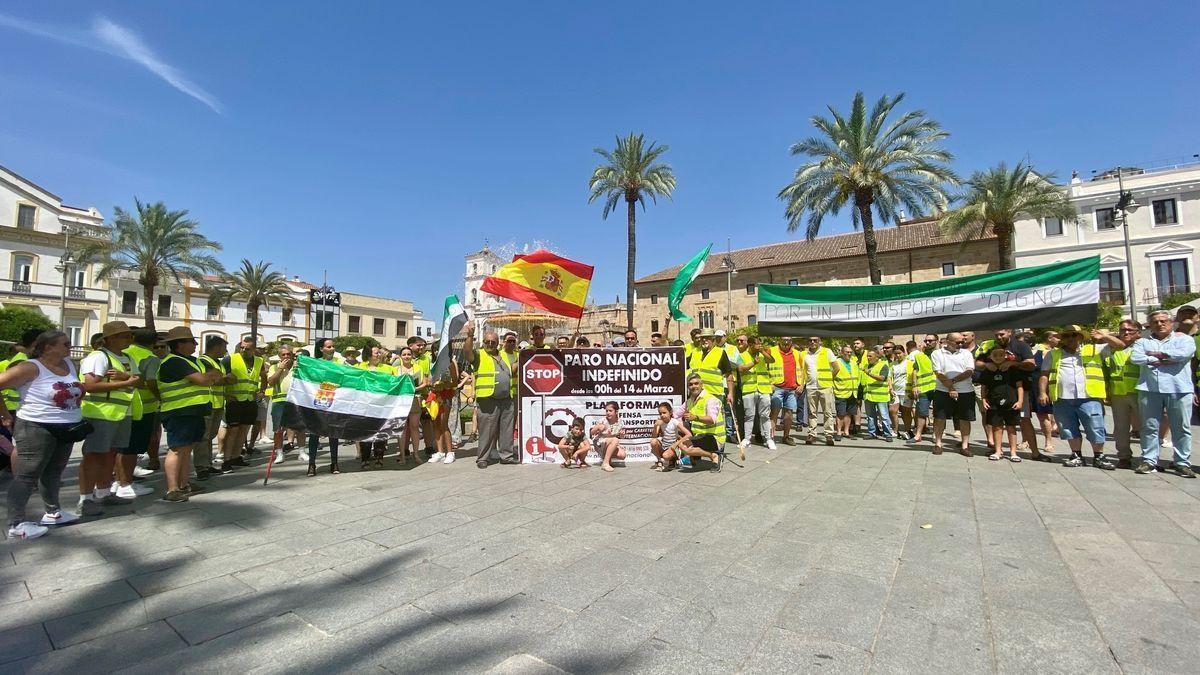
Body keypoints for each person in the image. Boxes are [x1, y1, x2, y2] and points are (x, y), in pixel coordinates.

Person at [1, 331, 85, 540]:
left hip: (65, 428)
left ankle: (53, 512)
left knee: (54, 471)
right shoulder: (30, 367)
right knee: (27, 475)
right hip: (36, 427)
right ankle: (16, 523)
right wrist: (4, 415)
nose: (70, 347)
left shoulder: (68, 364)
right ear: (48, 348)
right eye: (65, 344)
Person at [78, 321, 141, 514]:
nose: (130, 339)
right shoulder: (98, 356)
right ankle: (86, 499)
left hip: (121, 413)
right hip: (101, 413)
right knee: (94, 455)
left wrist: (126, 379)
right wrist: (125, 382)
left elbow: (138, 380)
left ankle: (104, 493)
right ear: (111, 338)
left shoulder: (128, 357)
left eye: (130, 335)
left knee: (110, 454)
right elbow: (89, 385)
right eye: (125, 336)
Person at [1038, 325, 1122, 470]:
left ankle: (1099, 456)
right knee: (1068, 428)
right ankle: (1076, 455)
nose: (1070, 338)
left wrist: (1104, 336)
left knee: (1095, 427)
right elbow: (1044, 374)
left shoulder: (1095, 349)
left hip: (1089, 397)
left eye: (1074, 335)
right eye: (1067, 336)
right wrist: (1042, 392)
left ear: (1080, 337)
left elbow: (1120, 346)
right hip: (1063, 398)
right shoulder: (1053, 354)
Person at [157, 327, 224, 502]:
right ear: (179, 344)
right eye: (191, 341)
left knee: (187, 450)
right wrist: (208, 376)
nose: (195, 344)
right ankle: (172, 489)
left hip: (194, 411)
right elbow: (204, 379)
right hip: (179, 412)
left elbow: (217, 375)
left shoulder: (193, 361)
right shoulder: (173, 361)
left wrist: (209, 376)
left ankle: (184, 483)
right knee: (177, 450)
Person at [1132, 311, 1197, 477]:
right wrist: (1159, 359)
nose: (1159, 324)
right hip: (1150, 389)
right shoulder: (1142, 342)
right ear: (1150, 325)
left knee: (1181, 427)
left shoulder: (1185, 339)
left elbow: (1183, 354)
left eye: (1163, 321)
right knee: (1149, 427)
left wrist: (1154, 355)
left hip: (1178, 389)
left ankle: (1182, 462)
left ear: (1172, 322)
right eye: (1155, 322)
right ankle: (1149, 460)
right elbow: (1135, 358)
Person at [462, 325, 518, 468]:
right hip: (488, 398)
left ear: (498, 343)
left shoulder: (504, 354)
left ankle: (506, 456)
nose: (490, 344)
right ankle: (482, 458)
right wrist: (469, 336)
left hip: (506, 398)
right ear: (483, 342)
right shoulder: (479, 354)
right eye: (487, 342)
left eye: (493, 342)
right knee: (486, 430)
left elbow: (512, 369)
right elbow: (467, 352)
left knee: (507, 429)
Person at [116, 328, 160, 498]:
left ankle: (118, 481)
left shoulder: (124, 352)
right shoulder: (150, 358)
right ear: (154, 342)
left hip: (122, 404)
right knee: (132, 448)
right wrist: (160, 397)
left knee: (121, 447)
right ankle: (126, 484)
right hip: (143, 408)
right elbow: (151, 381)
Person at [221, 337, 266, 471]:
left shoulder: (259, 361)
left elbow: (264, 377)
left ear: (253, 349)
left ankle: (236, 457)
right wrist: (226, 395)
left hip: (250, 400)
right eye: (242, 347)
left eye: (247, 348)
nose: (243, 350)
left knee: (243, 430)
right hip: (234, 400)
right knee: (233, 430)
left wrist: (262, 391)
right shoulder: (230, 359)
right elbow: (219, 377)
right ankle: (227, 460)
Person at [1106, 320, 1143, 469]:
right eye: (1122, 330)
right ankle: (1123, 456)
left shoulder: (1142, 347)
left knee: (1146, 427)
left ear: (1138, 333)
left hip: (1139, 391)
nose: (1125, 333)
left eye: (1130, 330)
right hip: (1118, 393)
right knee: (1120, 428)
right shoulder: (1113, 348)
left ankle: (1149, 457)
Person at [931, 332, 976, 456]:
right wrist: (950, 387)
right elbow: (938, 373)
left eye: (962, 341)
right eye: (957, 342)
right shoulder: (937, 353)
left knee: (965, 418)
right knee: (940, 418)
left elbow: (969, 371)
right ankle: (938, 444)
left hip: (965, 390)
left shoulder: (966, 353)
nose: (961, 344)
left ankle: (965, 445)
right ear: (948, 341)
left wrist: (954, 381)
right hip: (942, 390)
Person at [687, 330, 736, 441]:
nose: (704, 340)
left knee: (715, 423)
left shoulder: (720, 353)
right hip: (697, 395)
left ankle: (718, 448)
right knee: (698, 422)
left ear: (713, 340)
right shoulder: (695, 352)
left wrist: (731, 394)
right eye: (702, 338)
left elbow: (729, 375)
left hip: (714, 394)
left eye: (708, 338)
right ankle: (699, 449)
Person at [195, 337, 234, 479]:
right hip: (207, 403)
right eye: (224, 347)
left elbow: (227, 379)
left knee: (209, 437)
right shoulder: (203, 361)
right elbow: (215, 380)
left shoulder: (218, 363)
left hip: (218, 403)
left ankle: (207, 464)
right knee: (203, 437)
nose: (225, 351)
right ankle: (201, 467)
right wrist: (224, 378)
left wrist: (223, 378)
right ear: (216, 347)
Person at [355, 346, 397, 469]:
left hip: (382, 406)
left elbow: (396, 383)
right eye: (376, 353)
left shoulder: (388, 369)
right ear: (368, 355)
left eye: (379, 353)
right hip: (364, 406)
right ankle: (365, 458)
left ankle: (379, 457)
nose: (379, 355)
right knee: (365, 433)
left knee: (381, 432)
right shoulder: (359, 367)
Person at [305, 338, 343, 475]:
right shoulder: (315, 363)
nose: (331, 349)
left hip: (335, 401)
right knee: (314, 433)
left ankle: (334, 463)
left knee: (334, 434)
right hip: (318, 401)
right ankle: (312, 464)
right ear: (321, 349)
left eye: (333, 346)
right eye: (328, 347)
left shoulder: (340, 363)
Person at [981, 345, 1023, 462]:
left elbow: (1019, 386)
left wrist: (1020, 401)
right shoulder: (988, 370)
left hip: (1011, 403)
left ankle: (1013, 452)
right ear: (991, 357)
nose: (998, 357)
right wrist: (984, 399)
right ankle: (998, 451)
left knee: (1011, 428)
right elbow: (984, 386)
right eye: (995, 355)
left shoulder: (1012, 369)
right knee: (997, 427)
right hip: (994, 403)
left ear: (1005, 355)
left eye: (1001, 355)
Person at [797, 336, 838, 446]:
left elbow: (836, 367)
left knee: (827, 412)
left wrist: (830, 379)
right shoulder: (804, 354)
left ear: (820, 342)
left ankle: (829, 434)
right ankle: (812, 434)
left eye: (815, 340)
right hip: (811, 387)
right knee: (812, 412)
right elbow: (803, 371)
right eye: (810, 340)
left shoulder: (827, 351)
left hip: (825, 386)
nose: (812, 342)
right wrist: (802, 384)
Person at [736, 335, 773, 452]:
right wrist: (753, 363)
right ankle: (747, 439)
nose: (760, 346)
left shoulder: (762, 354)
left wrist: (762, 351)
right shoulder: (742, 355)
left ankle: (768, 439)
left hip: (763, 389)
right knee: (749, 416)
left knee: (765, 415)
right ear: (751, 345)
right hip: (749, 389)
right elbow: (740, 369)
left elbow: (771, 360)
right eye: (758, 344)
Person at [680, 373, 724, 471]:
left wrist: (695, 417)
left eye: (696, 383)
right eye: (690, 384)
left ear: (701, 385)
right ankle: (694, 457)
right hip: (700, 436)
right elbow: (676, 415)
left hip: (714, 437)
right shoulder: (690, 401)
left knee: (683, 445)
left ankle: (714, 456)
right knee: (677, 428)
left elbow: (711, 420)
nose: (693, 386)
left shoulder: (710, 400)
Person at [394, 347, 429, 464]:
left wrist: (415, 388)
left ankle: (416, 454)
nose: (407, 356)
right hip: (400, 401)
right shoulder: (395, 370)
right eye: (404, 354)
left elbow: (425, 382)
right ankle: (403, 455)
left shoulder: (417, 368)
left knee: (414, 428)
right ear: (400, 356)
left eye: (409, 354)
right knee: (402, 429)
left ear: (412, 356)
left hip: (415, 399)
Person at [265, 346, 295, 464]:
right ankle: (279, 453)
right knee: (278, 429)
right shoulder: (274, 367)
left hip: (294, 401)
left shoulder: (297, 367)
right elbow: (271, 382)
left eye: (288, 354)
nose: (286, 357)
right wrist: (280, 369)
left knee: (298, 427)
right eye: (284, 355)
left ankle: (302, 451)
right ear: (279, 356)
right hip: (279, 401)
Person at [905, 335, 938, 445]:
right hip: (923, 388)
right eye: (926, 341)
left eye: (930, 341)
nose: (927, 342)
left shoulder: (941, 354)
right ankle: (918, 435)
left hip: (939, 387)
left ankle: (936, 434)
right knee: (921, 412)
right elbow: (915, 371)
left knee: (938, 412)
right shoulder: (919, 356)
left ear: (936, 341)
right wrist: (914, 385)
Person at [861, 346, 894, 441]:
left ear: (876, 357)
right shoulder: (867, 366)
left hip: (880, 396)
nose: (868, 358)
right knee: (870, 416)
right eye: (867, 356)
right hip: (868, 395)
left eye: (870, 356)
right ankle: (872, 433)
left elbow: (882, 378)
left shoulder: (883, 365)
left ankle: (888, 434)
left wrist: (869, 374)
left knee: (884, 416)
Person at [650, 402, 690, 472]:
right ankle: (660, 461)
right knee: (653, 442)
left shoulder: (674, 422)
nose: (662, 415)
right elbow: (654, 437)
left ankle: (674, 458)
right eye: (660, 413)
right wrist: (655, 426)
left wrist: (676, 444)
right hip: (664, 444)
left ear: (670, 412)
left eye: (664, 413)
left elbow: (688, 434)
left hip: (672, 445)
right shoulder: (660, 422)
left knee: (666, 456)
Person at [833, 344, 860, 440]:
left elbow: (858, 376)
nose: (849, 354)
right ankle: (839, 432)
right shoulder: (836, 362)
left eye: (850, 352)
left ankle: (846, 431)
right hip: (841, 392)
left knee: (849, 413)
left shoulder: (853, 363)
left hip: (852, 392)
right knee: (840, 413)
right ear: (842, 353)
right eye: (846, 352)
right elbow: (832, 376)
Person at [591, 401, 625, 472]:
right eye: (606, 411)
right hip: (600, 443)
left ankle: (607, 459)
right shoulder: (603, 421)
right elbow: (592, 432)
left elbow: (619, 436)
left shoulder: (620, 422)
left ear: (616, 412)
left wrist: (622, 435)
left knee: (622, 455)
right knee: (615, 440)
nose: (608, 413)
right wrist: (597, 427)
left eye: (610, 411)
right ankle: (605, 463)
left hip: (609, 444)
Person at [889, 345, 910, 437]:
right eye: (895, 354)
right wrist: (890, 388)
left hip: (906, 391)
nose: (897, 356)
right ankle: (895, 430)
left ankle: (907, 430)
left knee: (906, 411)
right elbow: (889, 377)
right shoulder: (892, 364)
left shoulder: (909, 363)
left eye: (899, 353)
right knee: (892, 410)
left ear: (904, 353)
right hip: (895, 391)